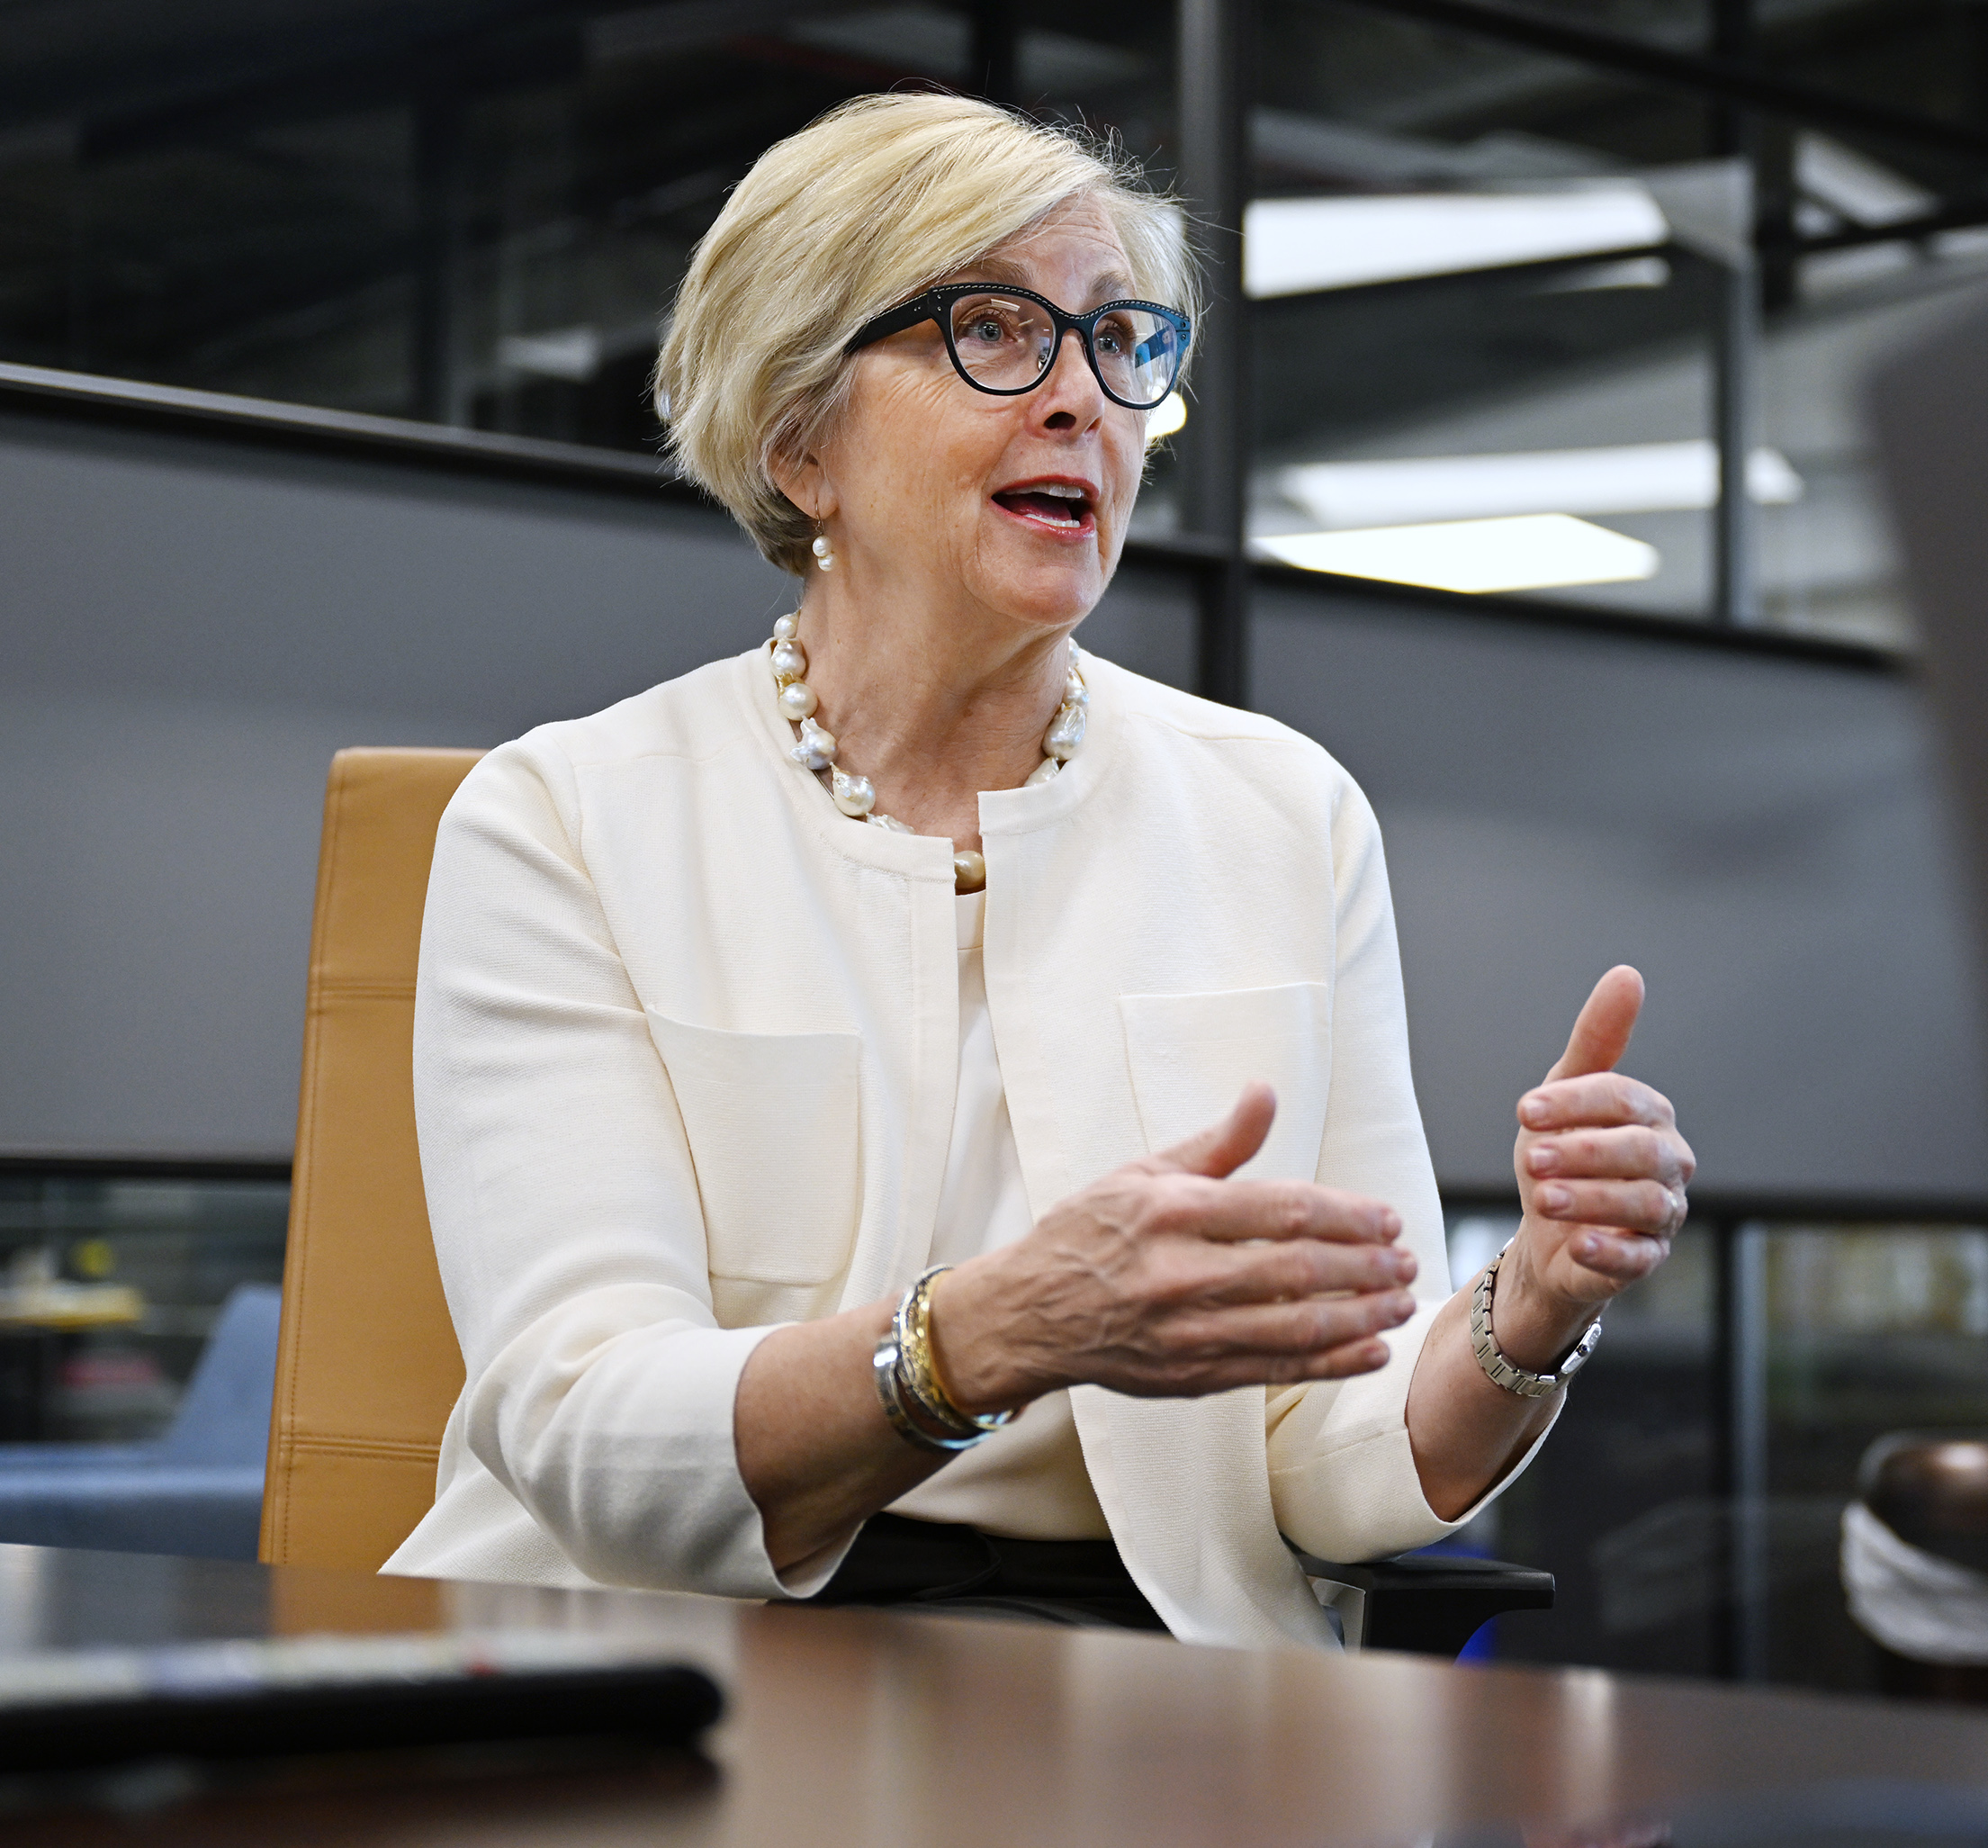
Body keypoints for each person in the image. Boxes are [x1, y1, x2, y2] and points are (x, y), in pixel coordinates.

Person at [384, 94, 1696, 1647]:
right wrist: (986, 1335)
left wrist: (1530, 1307)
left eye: (1120, 341)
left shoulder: (1286, 812)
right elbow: (590, 1434)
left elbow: (1333, 1465)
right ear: (799, 438)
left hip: (1150, 1686)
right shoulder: (566, 818)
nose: (1083, 398)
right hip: (672, 1666)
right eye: (995, 332)